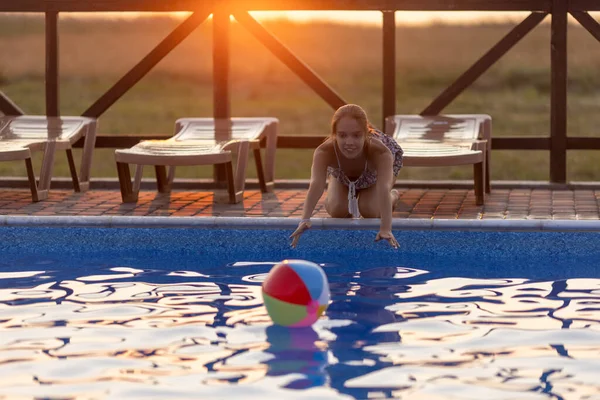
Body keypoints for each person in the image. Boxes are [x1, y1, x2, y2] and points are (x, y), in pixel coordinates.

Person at [289, 104, 403, 249]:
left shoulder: (380, 152)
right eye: (342, 135)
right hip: (344, 175)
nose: (349, 142)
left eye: (356, 135)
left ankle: (394, 197)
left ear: (366, 133)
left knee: (370, 211)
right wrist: (305, 219)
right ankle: (343, 189)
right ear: (334, 134)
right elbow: (316, 184)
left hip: (374, 177)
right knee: (337, 210)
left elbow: (383, 187)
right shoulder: (324, 152)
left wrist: (385, 228)